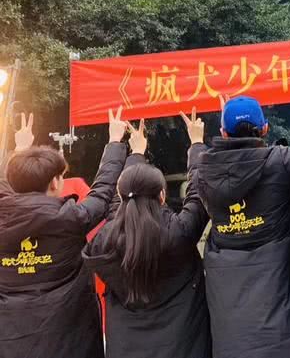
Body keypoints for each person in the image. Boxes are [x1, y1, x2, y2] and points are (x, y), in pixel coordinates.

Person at [194, 58, 290, 358]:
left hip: (231, 320)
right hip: (282, 310)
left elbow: (210, 160)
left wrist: (209, 136)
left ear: (223, 132)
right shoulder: (281, 162)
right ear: (265, 129)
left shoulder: (203, 173)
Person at [0, 108, 128, 358]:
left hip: (11, 342)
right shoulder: (71, 219)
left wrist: (20, 150)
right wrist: (114, 141)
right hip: (69, 342)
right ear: (55, 182)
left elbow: (6, 186)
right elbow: (102, 192)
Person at [83, 112, 211, 358]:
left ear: (120, 197)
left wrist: (131, 152)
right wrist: (196, 143)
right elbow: (198, 192)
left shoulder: (107, 242)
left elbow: (119, 207)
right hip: (182, 345)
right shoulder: (180, 232)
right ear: (162, 196)